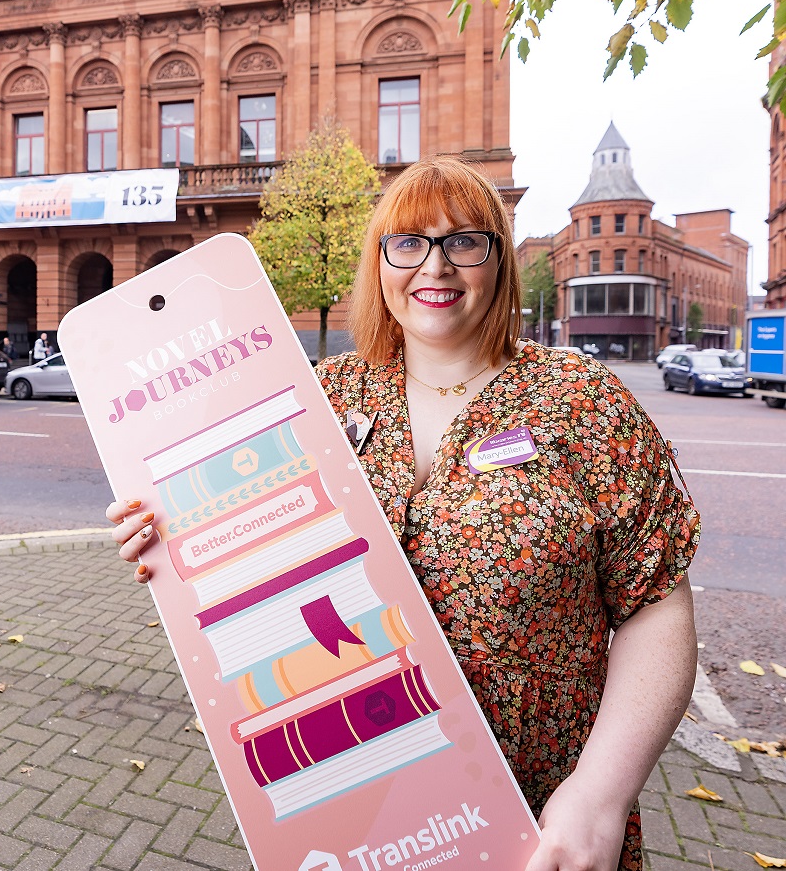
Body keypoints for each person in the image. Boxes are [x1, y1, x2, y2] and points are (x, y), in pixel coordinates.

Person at [109, 155, 699, 871]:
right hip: (362, 812)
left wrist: (601, 794)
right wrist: (167, 532)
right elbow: (238, 543)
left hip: (547, 821)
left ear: (499, 263)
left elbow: (655, 604)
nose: (436, 267)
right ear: (380, 261)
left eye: (464, 242)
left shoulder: (582, 401)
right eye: (409, 242)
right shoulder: (316, 396)